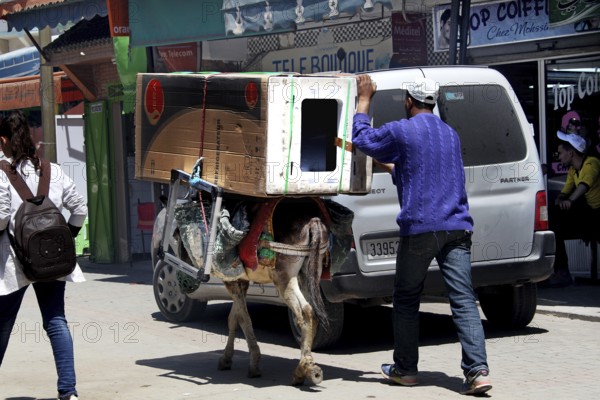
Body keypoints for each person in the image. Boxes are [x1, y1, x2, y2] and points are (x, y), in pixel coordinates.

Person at [351, 75, 491, 395]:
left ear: (409, 101)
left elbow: (362, 138)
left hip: (421, 228)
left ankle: (406, 370)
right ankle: (478, 372)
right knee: (464, 300)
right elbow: (420, 171)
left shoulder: (402, 129)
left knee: (406, 299)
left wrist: (363, 100)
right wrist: (392, 167)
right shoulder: (450, 134)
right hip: (456, 227)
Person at [0, 111, 87, 400]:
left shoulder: (1, 173)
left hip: (15, 263)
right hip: (52, 260)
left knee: (2, 325)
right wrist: (66, 240)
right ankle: (69, 392)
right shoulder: (53, 170)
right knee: (55, 320)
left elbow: (1, 219)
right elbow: (80, 209)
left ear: (4, 141)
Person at [543, 130, 600, 287]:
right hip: (590, 214)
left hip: (598, 213)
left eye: (561, 153)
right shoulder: (572, 170)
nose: (559, 157)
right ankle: (562, 272)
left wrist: (570, 201)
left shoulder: (591, 163)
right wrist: (561, 199)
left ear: (571, 153)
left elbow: (584, 185)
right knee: (555, 223)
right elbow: (565, 190)